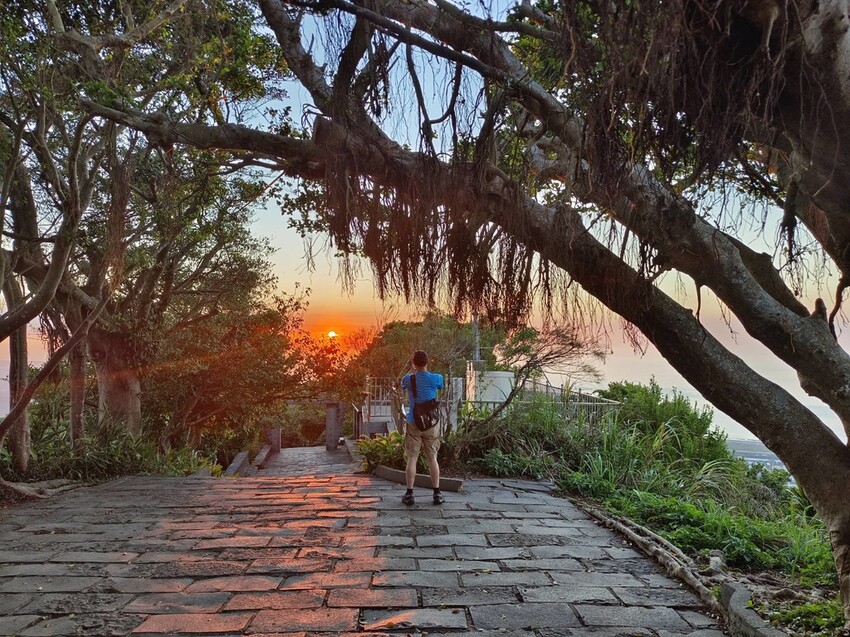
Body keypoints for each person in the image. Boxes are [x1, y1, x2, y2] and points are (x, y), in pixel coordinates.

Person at [400, 350, 445, 505]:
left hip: (414, 421)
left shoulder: (408, 379)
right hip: (431, 422)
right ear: (428, 361)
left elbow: (402, 385)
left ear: (413, 363)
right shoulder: (437, 378)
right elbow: (440, 387)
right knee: (432, 457)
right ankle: (437, 493)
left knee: (412, 458)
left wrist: (413, 370)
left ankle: (410, 493)